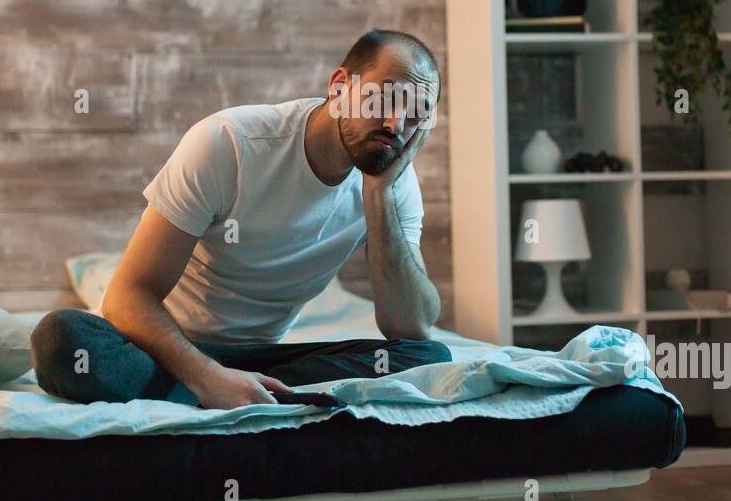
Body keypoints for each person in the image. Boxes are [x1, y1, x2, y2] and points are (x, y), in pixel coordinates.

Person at [30, 29, 451, 409]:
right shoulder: (230, 142)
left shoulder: (393, 180)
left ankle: (241, 390)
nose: (397, 123)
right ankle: (220, 390)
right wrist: (206, 375)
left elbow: (409, 325)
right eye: (385, 99)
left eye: (417, 113)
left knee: (429, 357)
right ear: (340, 88)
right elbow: (127, 295)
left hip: (262, 358)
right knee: (61, 340)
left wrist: (379, 195)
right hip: (161, 349)